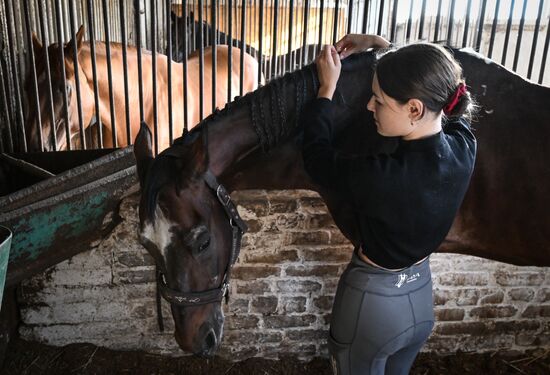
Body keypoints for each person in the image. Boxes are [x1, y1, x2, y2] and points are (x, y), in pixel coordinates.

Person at [302, 34, 477, 375]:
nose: (370, 106)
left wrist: (326, 91)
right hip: (421, 301)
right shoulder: (464, 147)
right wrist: (381, 45)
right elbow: (436, 83)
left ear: (414, 109)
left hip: (372, 308)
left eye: (379, 101)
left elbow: (316, 157)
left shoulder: (378, 177)